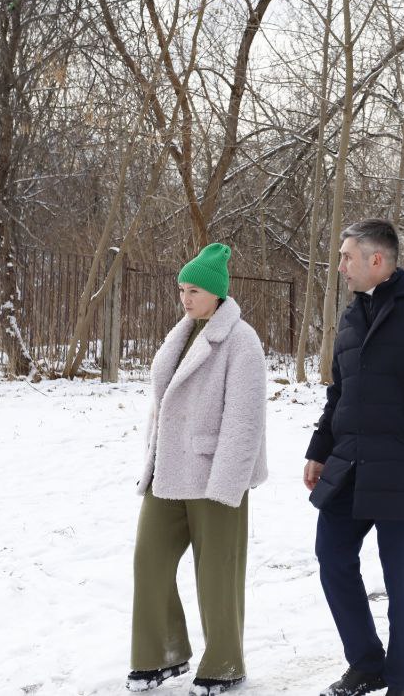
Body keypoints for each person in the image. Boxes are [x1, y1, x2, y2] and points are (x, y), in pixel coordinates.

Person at [305, 219, 404, 696]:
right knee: (332, 556)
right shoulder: (353, 316)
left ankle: (402, 682)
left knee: (402, 584)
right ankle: (365, 663)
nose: (340, 266)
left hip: (403, 466)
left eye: (346, 257)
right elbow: (340, 393)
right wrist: (320, 451)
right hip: (350, 464)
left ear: (376, 260)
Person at [128, 243, 268, 695]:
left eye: (194, 290)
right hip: (168, 472)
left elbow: (245, 420)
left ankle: (225, 664)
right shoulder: (181, 333)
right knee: (149, 561)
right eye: (182, 289)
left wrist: (228, 483)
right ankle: (161, 655)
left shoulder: (241, 340)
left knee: (217, 574)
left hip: (215, 475)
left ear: (217, 293)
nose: (185, 298)